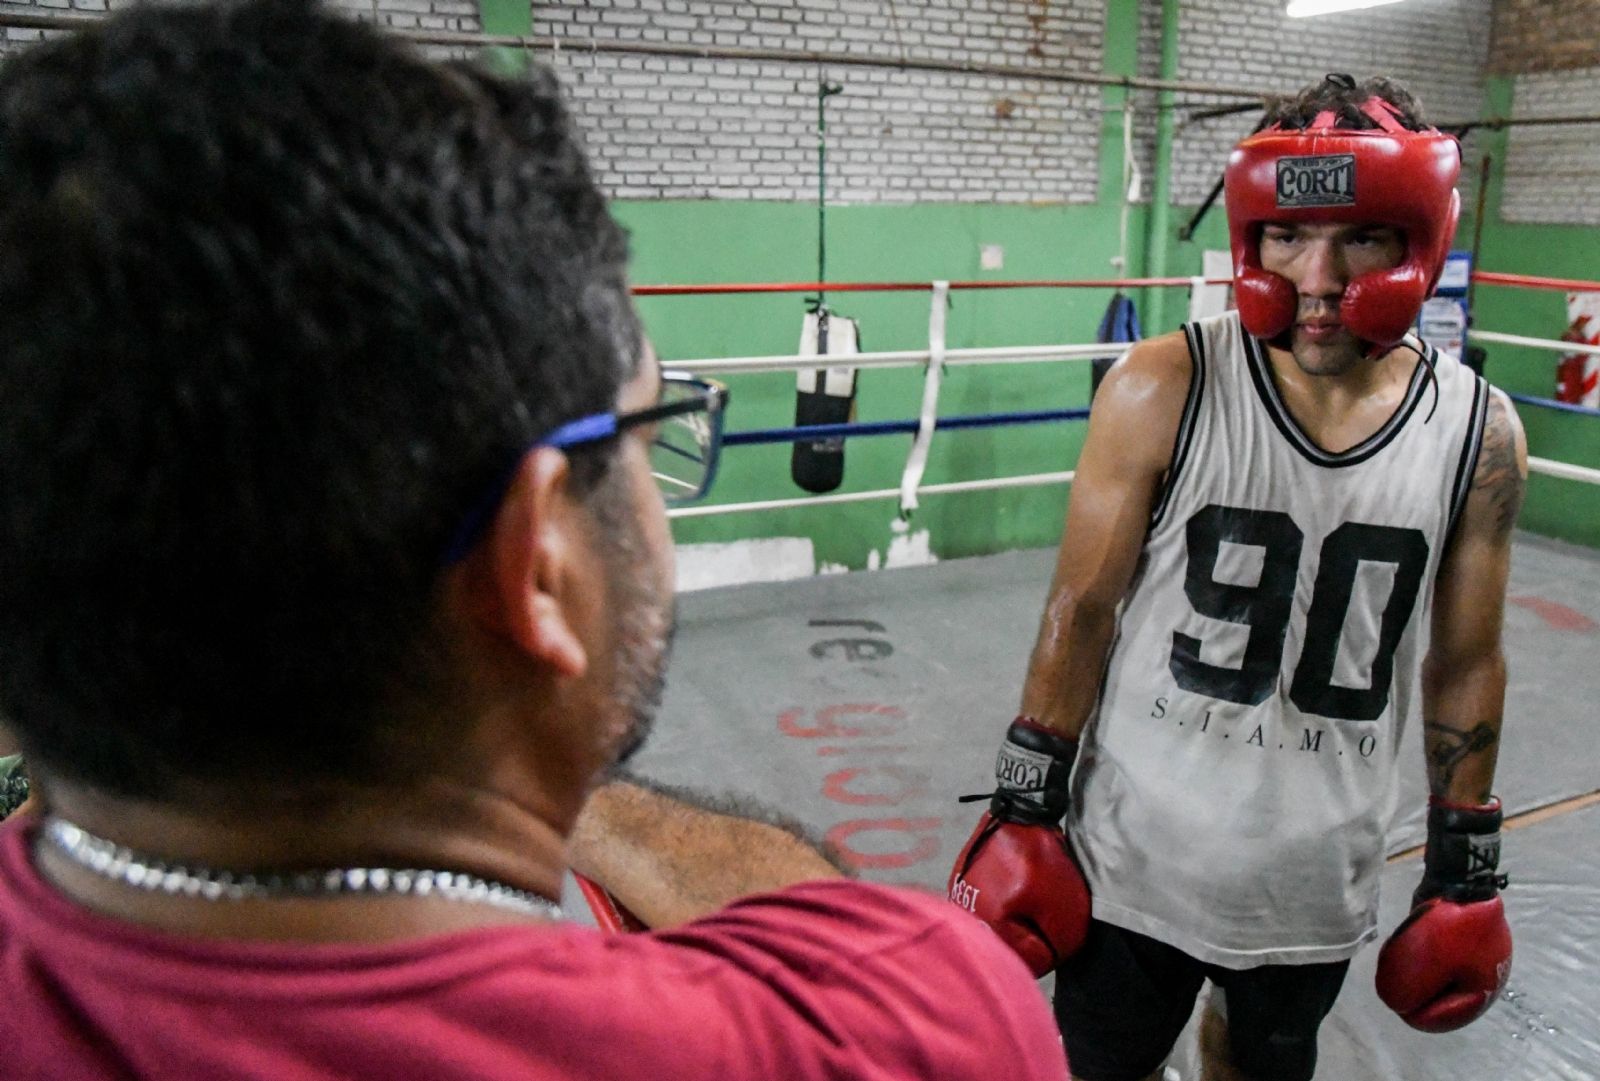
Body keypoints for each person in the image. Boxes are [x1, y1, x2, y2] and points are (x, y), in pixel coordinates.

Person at [0, 4, 1069, 1079]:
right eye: (649, 429)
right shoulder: (896, 1029)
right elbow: (876, 967)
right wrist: (513, 767)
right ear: (539, 560)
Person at [948, 74, 1524, 1081]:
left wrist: (1463, 861)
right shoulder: (1163, 386)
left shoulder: (1477, 432)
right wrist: (1025, 799)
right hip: (1135, 861)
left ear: (1421, 241)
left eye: (1363, 238)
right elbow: (1083, 606)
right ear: (1249, 239)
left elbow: (1467, 658)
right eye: (1287, 236)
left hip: (1316, 876)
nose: (1318, 277)